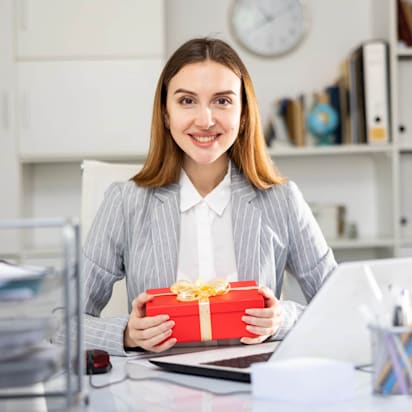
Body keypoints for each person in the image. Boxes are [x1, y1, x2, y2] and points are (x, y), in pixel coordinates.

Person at [83, 37, 337, 356]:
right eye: (187, 101)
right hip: (153, 394)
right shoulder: (125, 202)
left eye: (222, 101)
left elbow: (341, 305)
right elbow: (61, 324)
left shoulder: (282, 199)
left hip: (253, 389)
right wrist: (126, 334)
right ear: (165, 113)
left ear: (243, 114)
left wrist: (282, 319)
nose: (205, 120)